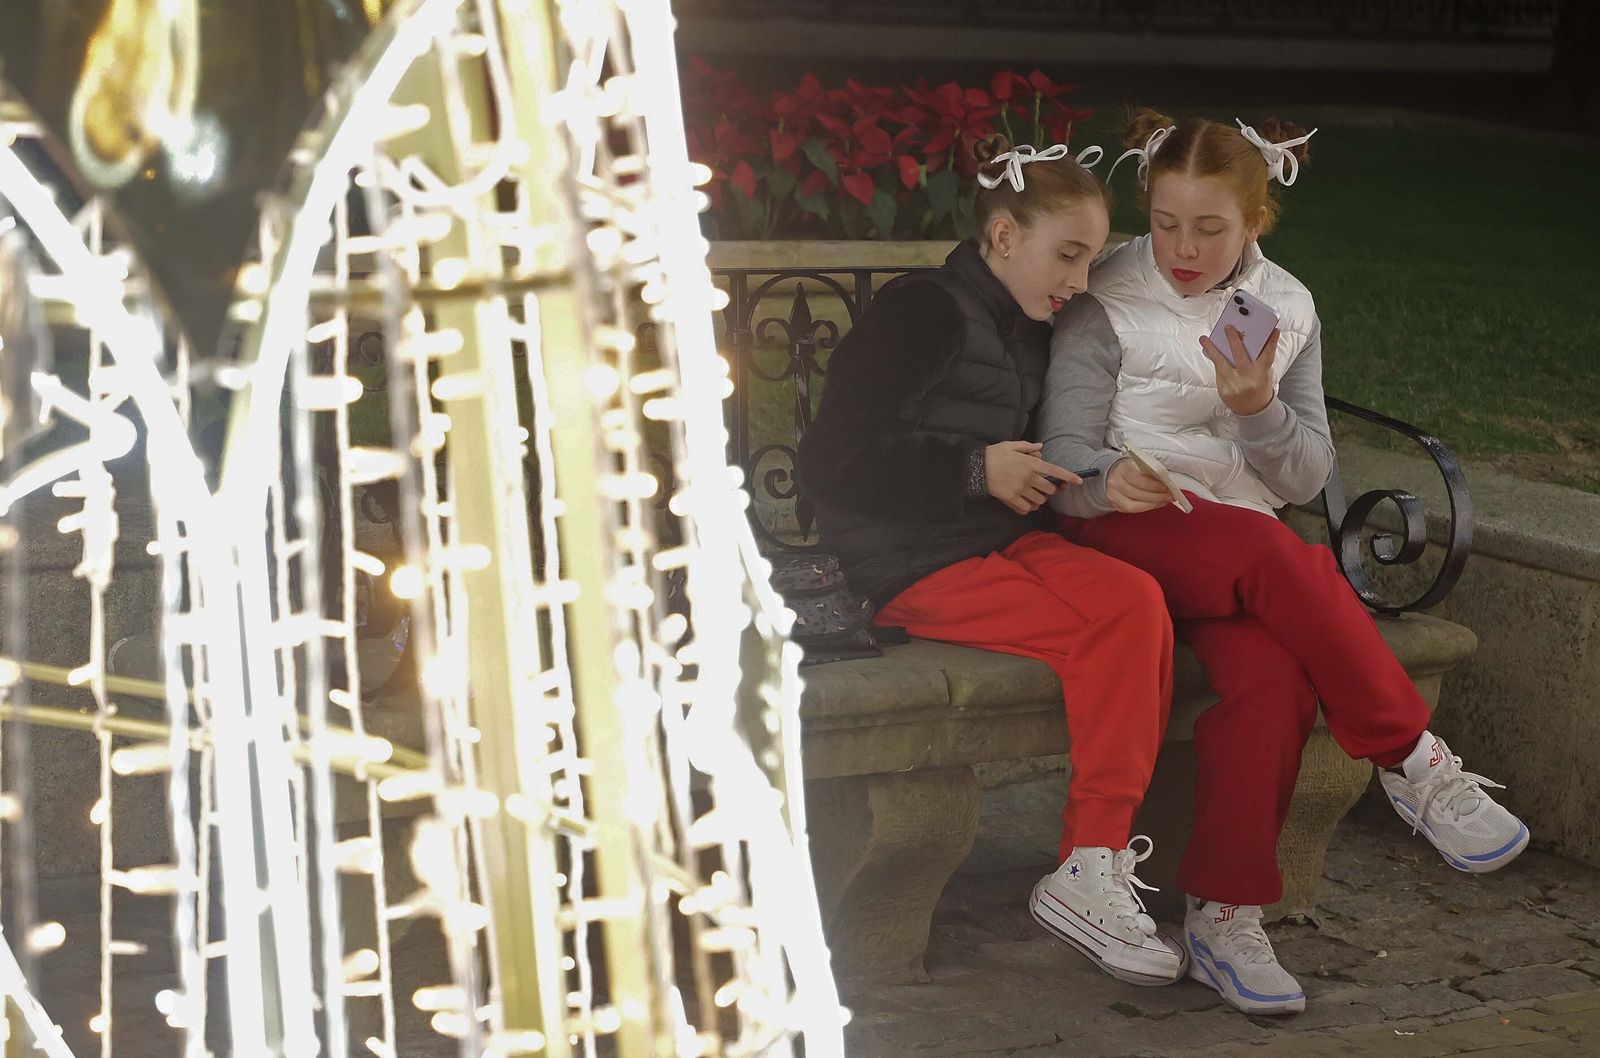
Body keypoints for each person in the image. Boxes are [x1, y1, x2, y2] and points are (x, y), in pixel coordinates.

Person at [1037, 108, 1529, 1015]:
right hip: (1121, 535)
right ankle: (1412, 758)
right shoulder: (1106, 295)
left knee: (1274, 677)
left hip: (1234, 557)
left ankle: (1225, 918)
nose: (1184, 249)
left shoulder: (1285, 307)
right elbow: (1064, 463)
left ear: (1255, 220)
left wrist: (1257, 408)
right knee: (1276, 550)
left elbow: (1305, 475)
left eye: (1210, 227)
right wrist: (1111, 482)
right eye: (1167, 223)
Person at [796, 136, 1187, 985]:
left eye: (1090, 260)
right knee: (1108, 627)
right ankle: (1091, 862)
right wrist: (975, 469)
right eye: (1068, 255)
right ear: (1004, 236)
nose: (1080, 280)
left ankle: (1092, 867)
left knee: (1135, 599)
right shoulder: (924, 311)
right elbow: (831, 459)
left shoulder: (1028, 323)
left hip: (995, 543)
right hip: (902, 563)